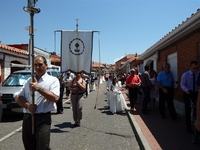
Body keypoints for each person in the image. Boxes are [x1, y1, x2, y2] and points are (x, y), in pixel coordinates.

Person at [15, 55, 60, 150]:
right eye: (35, 65)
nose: (37, 67)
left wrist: (38, 88)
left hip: (43, 118)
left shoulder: (53, 80)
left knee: (42, 146)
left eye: (40, 65)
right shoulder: (28, 81)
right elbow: (18, 97)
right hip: (28, 117)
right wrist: (27, 105)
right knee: (28, 145)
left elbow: (55, 98)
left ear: (46, 65)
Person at [180, 61, 199, 133]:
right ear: (190, 67)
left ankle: (196, 125)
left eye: (196, 68)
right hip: (188, 93)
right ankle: (188, 126)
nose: (195, 70)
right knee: (188, 110)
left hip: (196, 93)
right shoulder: (185, 75)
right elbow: (182, 84)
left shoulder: (198, 74)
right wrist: (186, 90)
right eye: (194, 68)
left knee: (197, 109)